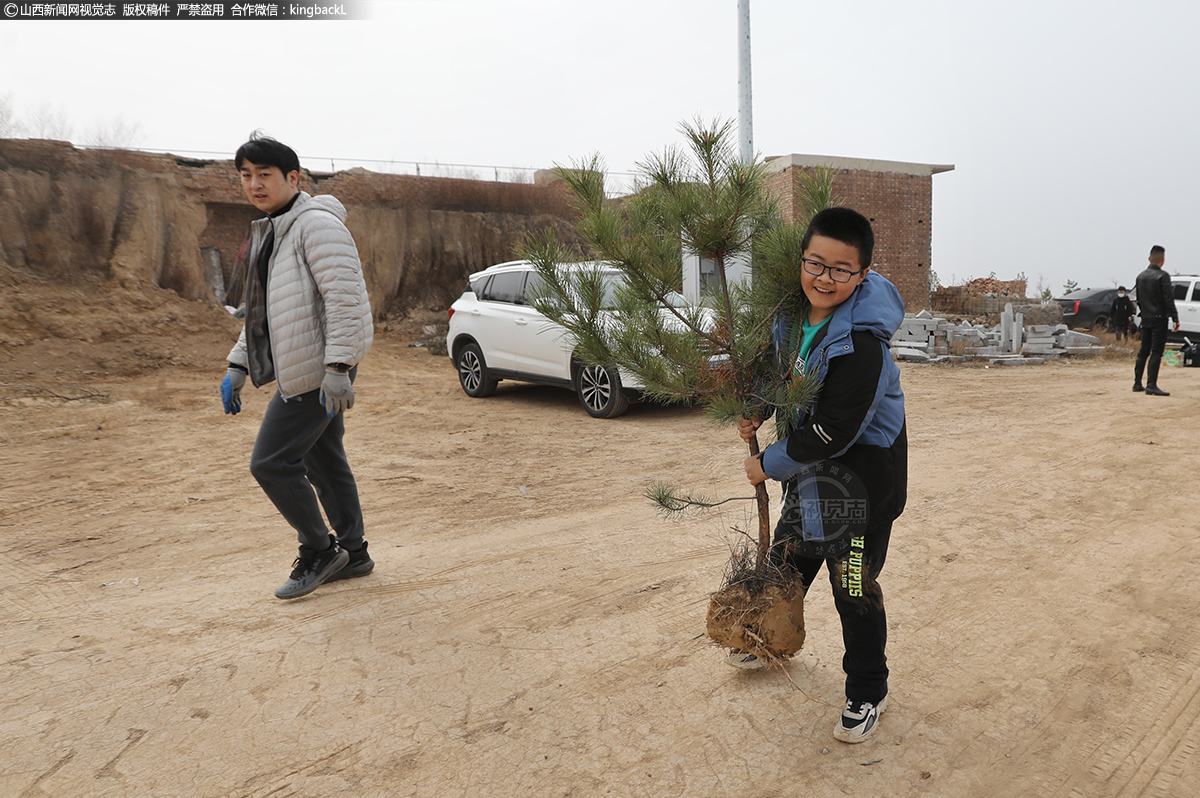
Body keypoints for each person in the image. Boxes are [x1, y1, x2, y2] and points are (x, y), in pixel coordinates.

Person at [737, 207, 907, 745]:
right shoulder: (791, 314)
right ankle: (770, 635)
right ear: (801, 260)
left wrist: (765, 464)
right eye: (816, 263)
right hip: (810, 470)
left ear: (861, 276)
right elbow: (777, 367)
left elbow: (835, 432)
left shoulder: (864, 345)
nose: (824, 278)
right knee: (790, 554)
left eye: (841, 269)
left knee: (851, 584)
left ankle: (867, 691)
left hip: (859, 476)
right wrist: (756, 406)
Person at [220, 134, 375, 599]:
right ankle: (354, 552)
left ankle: (319, 549)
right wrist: (238, 364)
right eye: (246, 176)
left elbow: (345, 300)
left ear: (293, 178)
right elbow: (267, 312)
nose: (254, 184)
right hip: (311, 363)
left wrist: (339, 366)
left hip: (318, 370)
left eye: (264, 175)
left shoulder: (316, 226)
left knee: (270, 462)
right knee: (324, 460)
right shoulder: (274, 230)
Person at [1133, 245, 1178, 396]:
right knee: (1157, 351)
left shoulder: (1140, 276)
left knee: (1143, 350)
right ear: (1162, 260)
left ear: (1149, 258)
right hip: (1159, 318)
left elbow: (1138, 299)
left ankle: (1137, 383)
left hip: (1145, 318)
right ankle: (1151, 384)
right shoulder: (1163, 276)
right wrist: (1174, 317)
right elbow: (1168, 299)